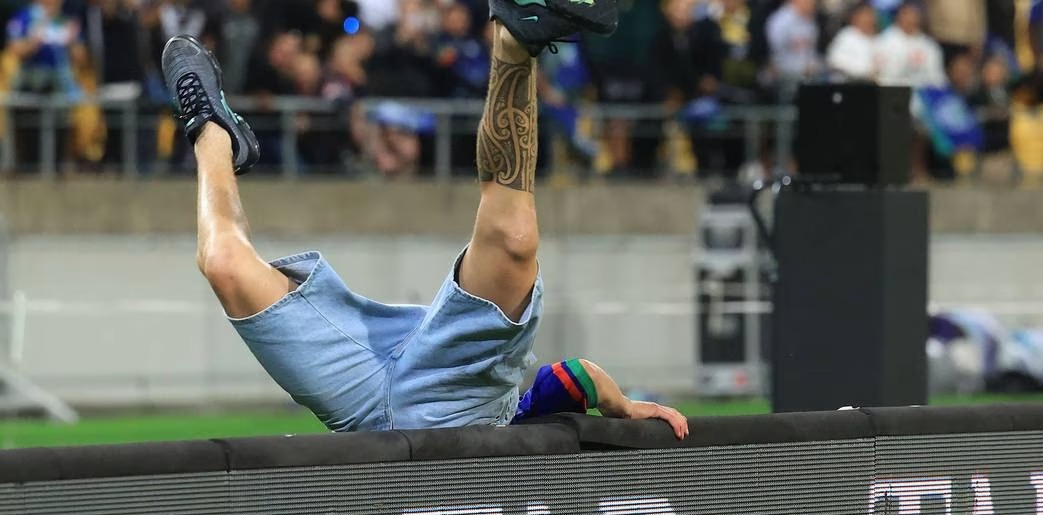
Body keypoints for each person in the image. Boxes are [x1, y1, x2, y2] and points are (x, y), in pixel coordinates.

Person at [159, 0, 689, 438]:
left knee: (223, 263)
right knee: (514, 238)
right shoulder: (511, 415)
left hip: (360, 400)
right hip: (461, 387)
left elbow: (577, 382)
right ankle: (515, 41)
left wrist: (615, 400)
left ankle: (213, 132)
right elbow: (577, 379)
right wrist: (622, 403)